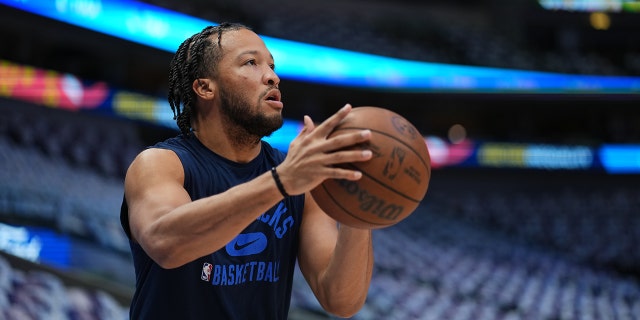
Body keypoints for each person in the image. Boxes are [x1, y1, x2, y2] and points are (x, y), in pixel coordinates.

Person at [120, 22, 375, 319]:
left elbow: (341, 300)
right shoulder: (162, 164)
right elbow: (165, 244)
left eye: (272, 66)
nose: (273, 77)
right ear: (205, 87)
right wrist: (281, 182)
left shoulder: (299, 180)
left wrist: (362, 205)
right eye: (251, 63)